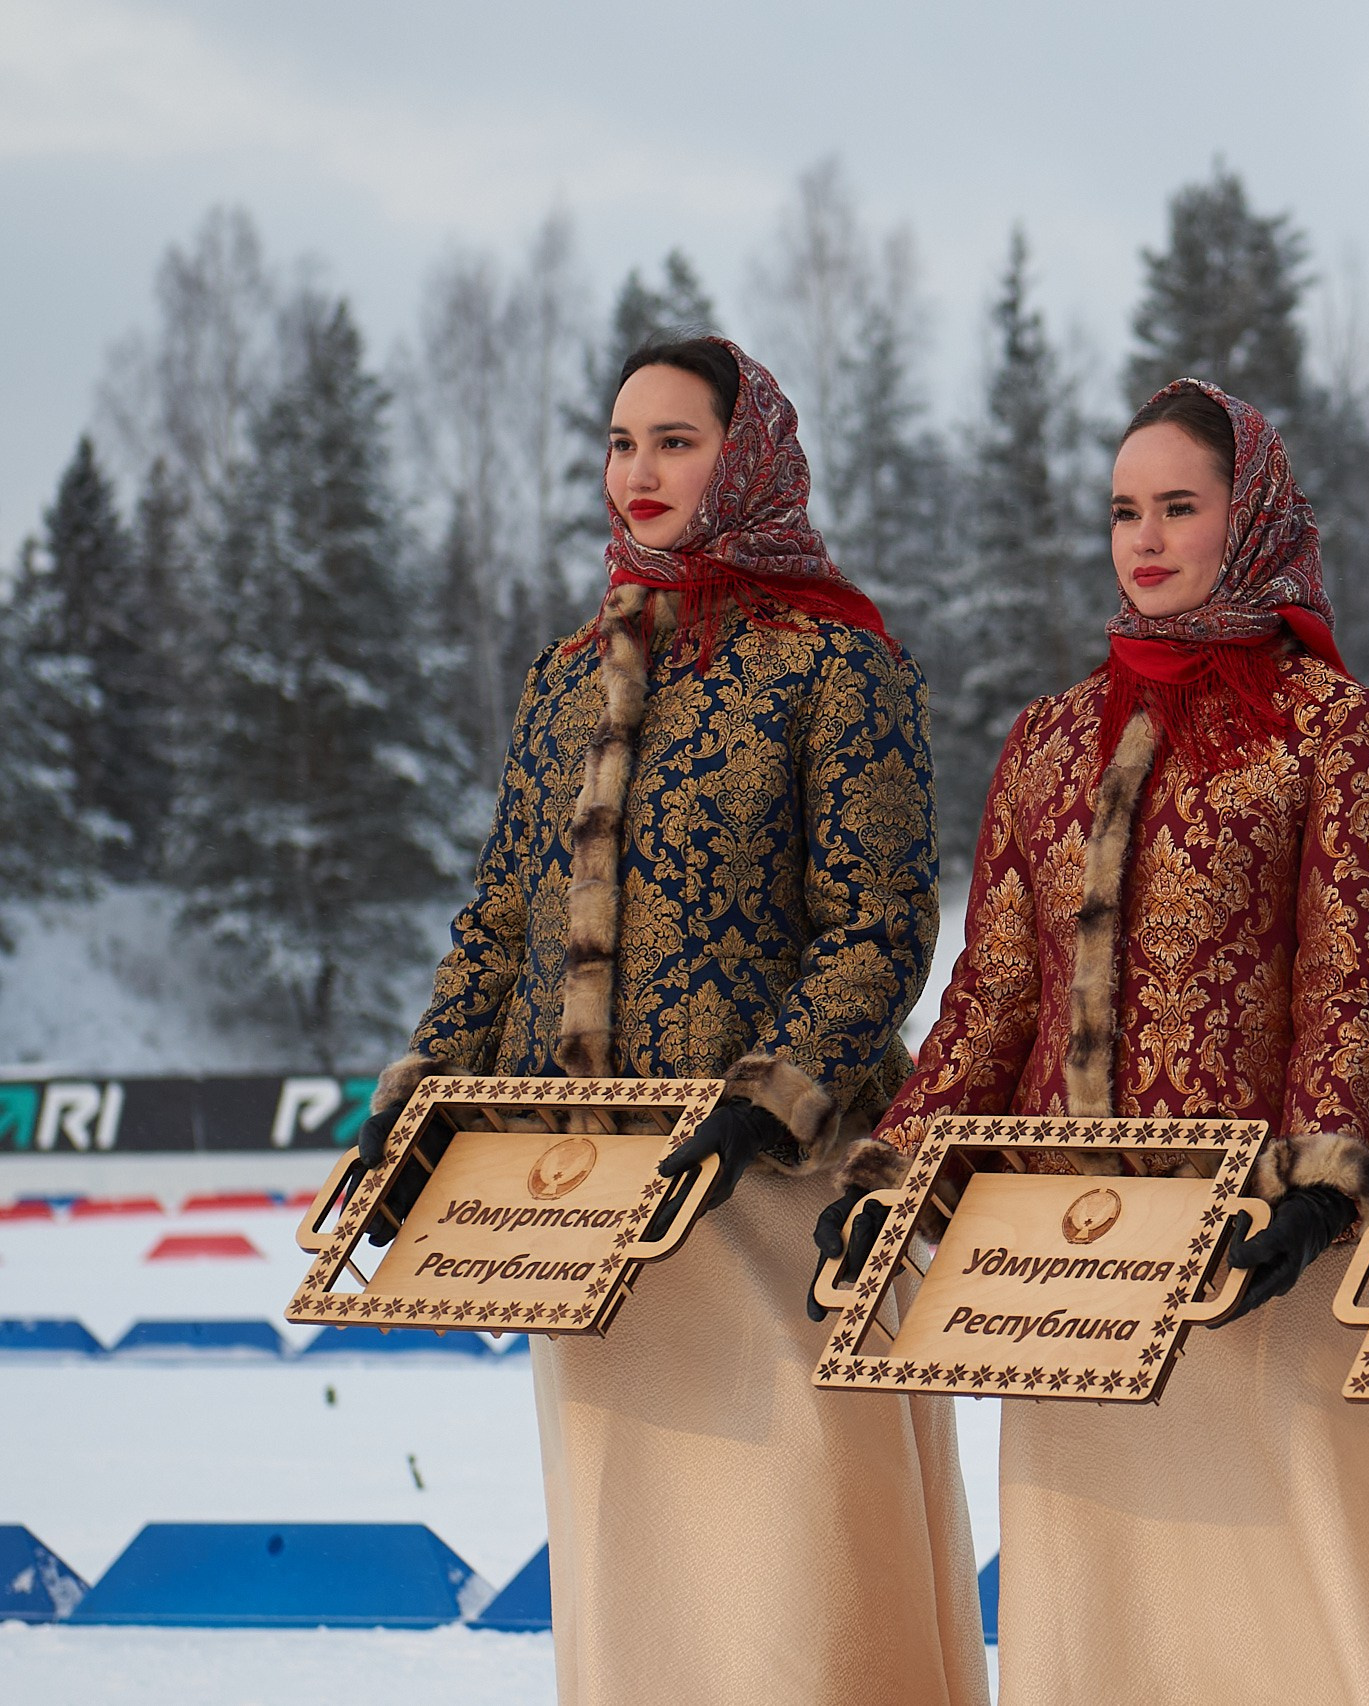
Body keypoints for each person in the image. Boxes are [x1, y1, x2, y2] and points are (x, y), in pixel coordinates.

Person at [820, 378, 1369, 1705]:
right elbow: (994, 992)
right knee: (1109, 1619)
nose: (1145, 535)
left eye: (1179, 506)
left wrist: (1316, 1189)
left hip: (1265, 1258)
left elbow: (1359, 991)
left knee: (1305, 1620)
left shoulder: (1349, 735)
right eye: (1124, 508)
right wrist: (901, 1174)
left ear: (1249, 517)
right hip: (1066, 1269)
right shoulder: (1049, 740)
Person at [355, 338, 984, 1705]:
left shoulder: (837, 664)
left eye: (677, 440)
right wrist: (419, 1105)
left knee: (795, 1580)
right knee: (639, 1585)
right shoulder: (565, 679)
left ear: (746, 452)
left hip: (770, 1202)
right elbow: (499, 929)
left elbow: (881, 925)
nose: (639, 471)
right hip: (582, 1213)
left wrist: (768, 1103)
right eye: (622, 440)